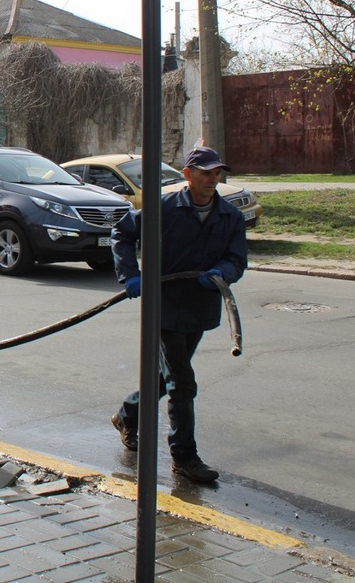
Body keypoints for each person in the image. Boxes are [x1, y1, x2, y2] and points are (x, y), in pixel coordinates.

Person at [109, 145, 247, 485]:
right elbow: (122, 233)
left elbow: (236, 259)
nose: (213, 179)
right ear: (188, 175)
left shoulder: (229, 216)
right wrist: (131, 274)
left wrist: (221, 273)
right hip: (165, 306)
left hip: (199, 306)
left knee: (166, 377)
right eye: (205, 173)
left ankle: (128, 415)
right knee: (182, 383)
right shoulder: (164, 208)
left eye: (217, 173)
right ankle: (184, 457)